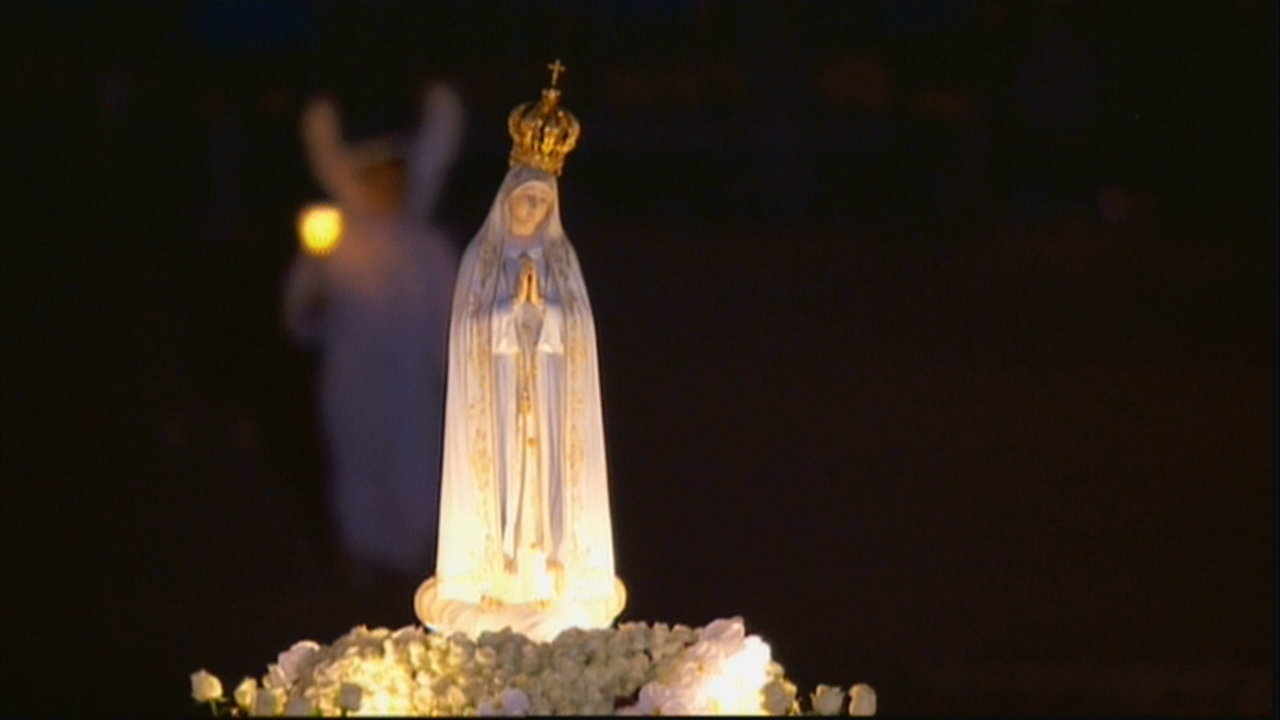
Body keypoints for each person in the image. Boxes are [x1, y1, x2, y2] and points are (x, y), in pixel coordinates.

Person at [419, 63, 624, 639]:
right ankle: (494, 574)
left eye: (541, 203)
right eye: (525, 201)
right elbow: (469, 332)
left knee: (545, 482)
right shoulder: (481, 262)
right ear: (506, 202)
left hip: (549, 400)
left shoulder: (561, 261)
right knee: (507, 483)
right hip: (499, 401)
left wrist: (544, 312)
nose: (532, 212)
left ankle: (550, 574)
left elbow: (577, 331)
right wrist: (512, 314)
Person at [282, 84, 463, 585]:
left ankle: (417, 563)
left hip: (414, 388)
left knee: (416, 467)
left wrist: (452, 378)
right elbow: (300, 321)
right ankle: (357, 559)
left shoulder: (430, 247)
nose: (388, 188)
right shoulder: (334, 245)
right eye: (377, 178)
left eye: (395, 178)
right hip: (353, 382)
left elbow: (451, 320)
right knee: (358, 466)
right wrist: (317, 283)